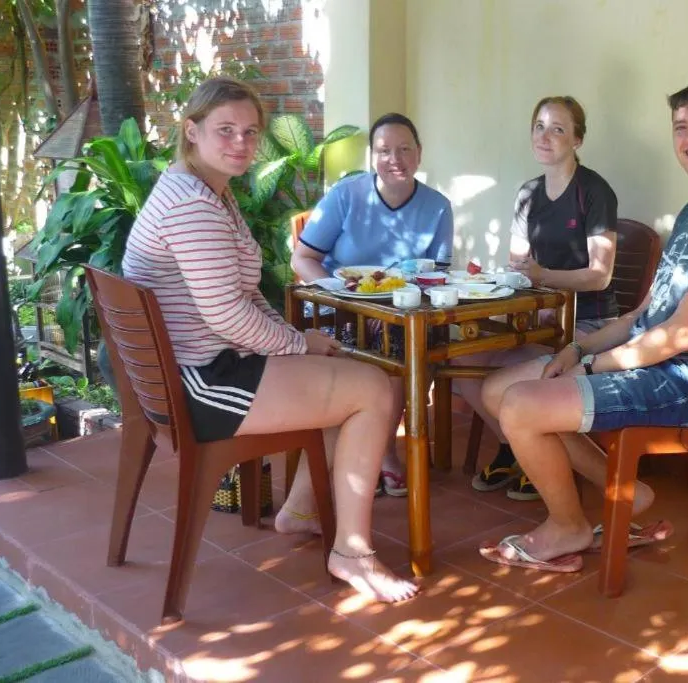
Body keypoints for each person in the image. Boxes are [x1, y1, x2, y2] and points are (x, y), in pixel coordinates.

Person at [121, 77, 419, 602]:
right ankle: (351, 552)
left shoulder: (203, 188)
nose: (241, 142)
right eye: (226, 130)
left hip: (205, 364)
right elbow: (227, 315)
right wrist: (298, 345)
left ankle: (303, 509)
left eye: (251, 132)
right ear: (192, 132)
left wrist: (296, 337)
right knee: (373, 389)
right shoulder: (193, 205)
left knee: (357, 378)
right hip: (203, 384)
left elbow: (242, 293)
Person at [476, 80, 688, 572]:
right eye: (681, 127)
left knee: (521, 404)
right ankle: (625, 493)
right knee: (499, 390)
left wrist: (593, 366)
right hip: (657, 361)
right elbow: (642, 316)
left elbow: (681, 336)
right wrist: (577, 352)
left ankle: (568, 526)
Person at [459, 96, 620, 501]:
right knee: (462, 362)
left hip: (589, 325)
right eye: (539, 126)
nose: (545, 136)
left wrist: (543, 276)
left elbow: (600, 277)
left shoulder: (595, 192)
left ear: (577, 140)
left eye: (558, 129)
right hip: (538, 318)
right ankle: (518, 449)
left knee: (516, 377)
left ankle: (540, 455)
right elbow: (519, 267)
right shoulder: (527, 194)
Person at [291, 113, 454, 497]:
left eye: (404, 149)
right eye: (384, 150)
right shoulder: (345, 196)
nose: (394, 158)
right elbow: (303, 259)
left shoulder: (438, 207)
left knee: (408, 350)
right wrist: (345, 296)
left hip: (402, 312)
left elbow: (438, 274)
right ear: (371, 156)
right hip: (342, 309)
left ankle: (382, 452)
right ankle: (376, 455)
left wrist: (398, 305)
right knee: (364, 351)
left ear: (419, 154)